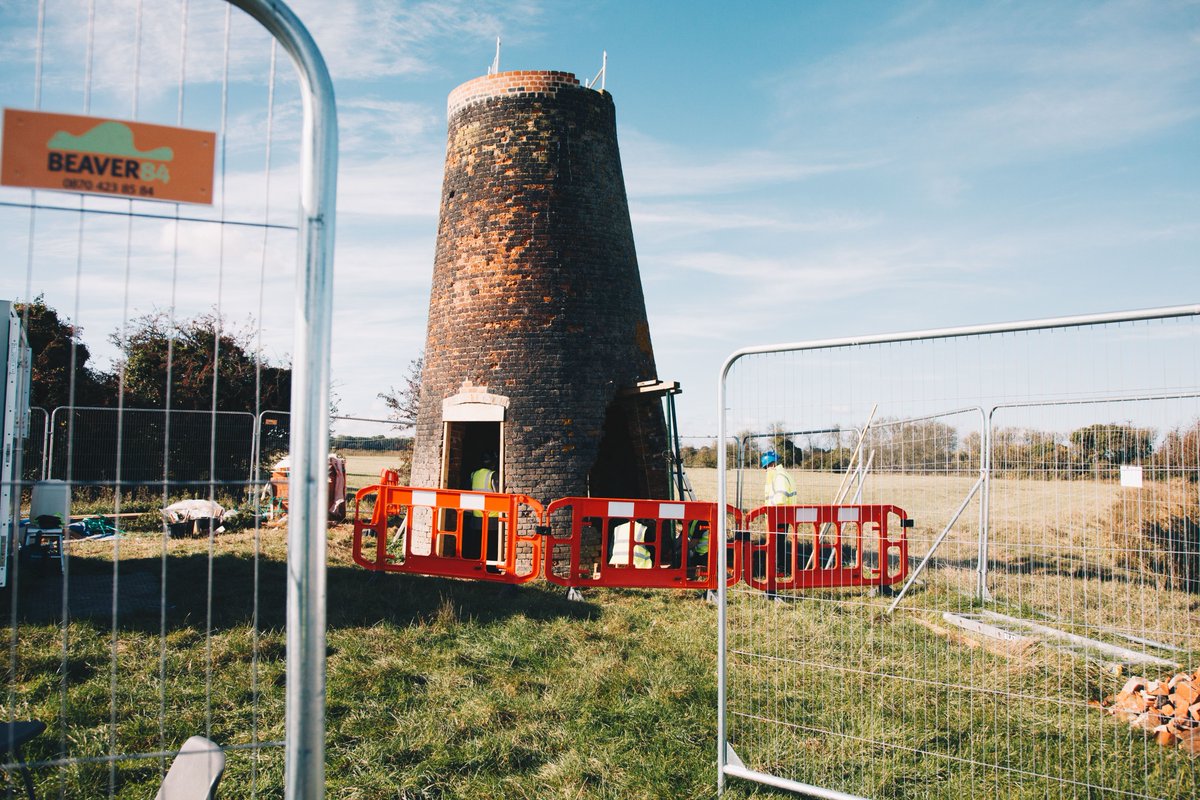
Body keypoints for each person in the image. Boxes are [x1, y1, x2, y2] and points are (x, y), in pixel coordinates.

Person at [461, 452, 499, 560]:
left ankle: (477, 565)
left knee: (478, 544)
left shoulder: (474, 474)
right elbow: (499, 495)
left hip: (477, 516)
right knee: (491, 545)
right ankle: (490, 568)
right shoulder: (492, 475)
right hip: (492, 517)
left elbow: (467, 493)